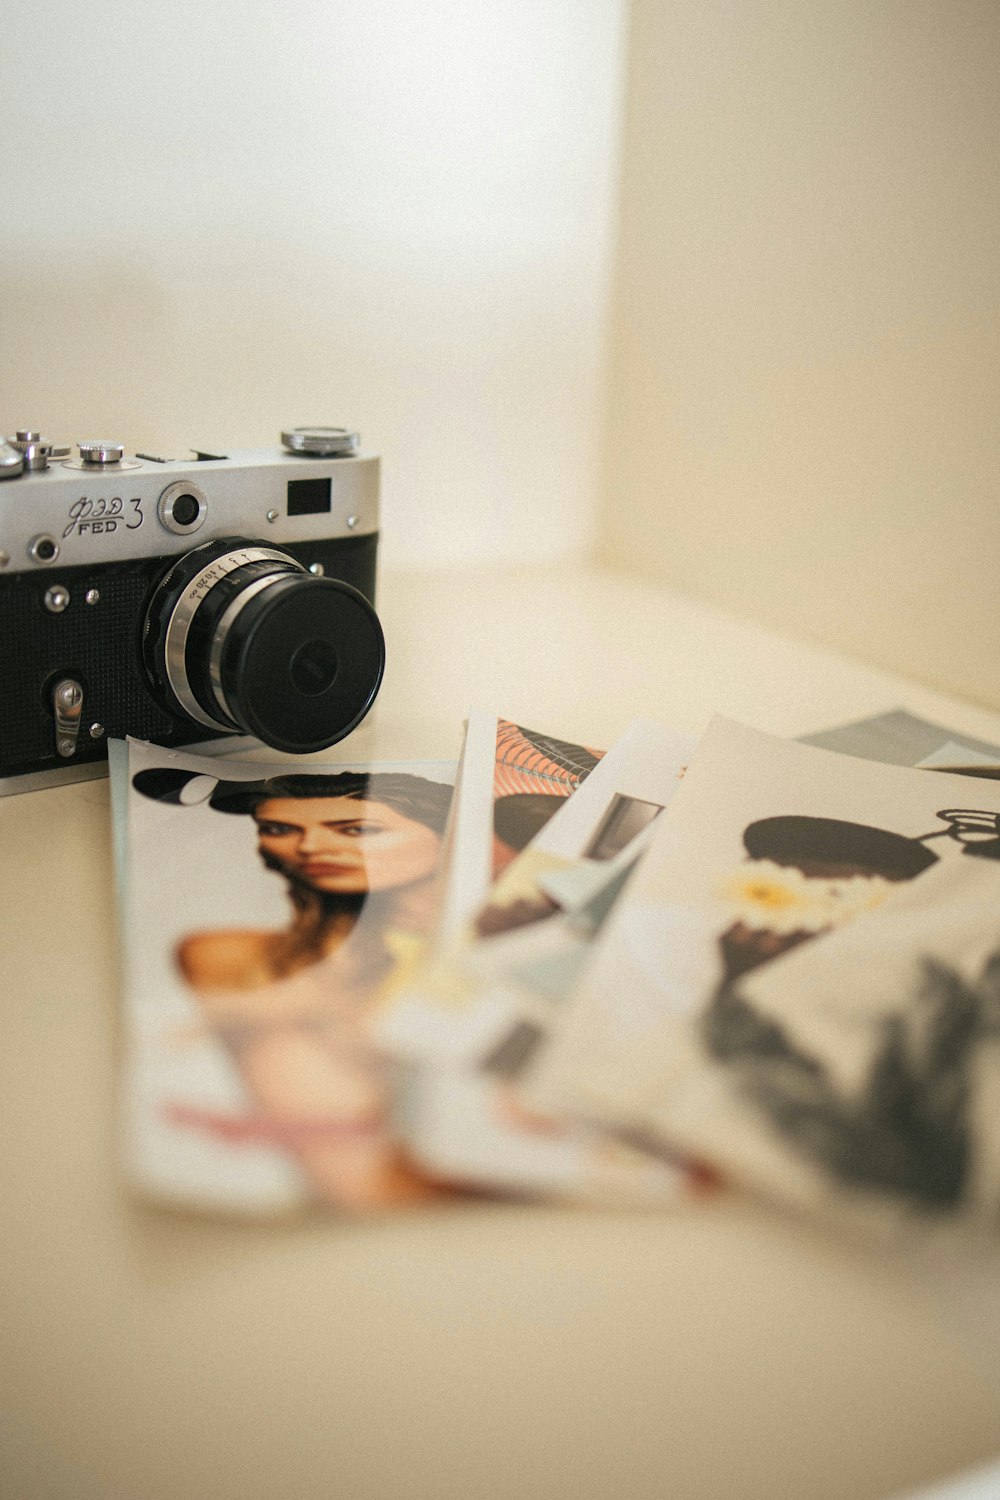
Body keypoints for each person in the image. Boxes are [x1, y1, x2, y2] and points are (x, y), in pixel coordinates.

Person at [138, 769, 454, 1209]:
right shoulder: (244, 958)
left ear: (453, 828)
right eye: (280, 829)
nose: (309, 847)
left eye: (359, 829)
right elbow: (361, 1180)